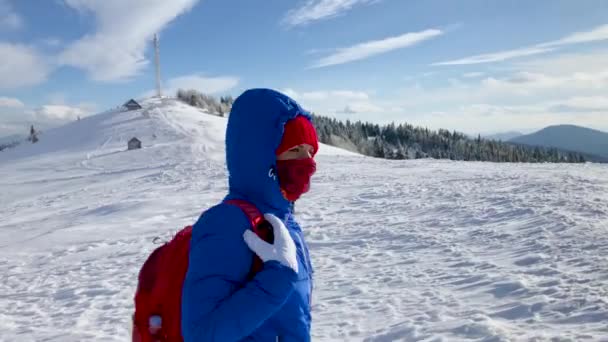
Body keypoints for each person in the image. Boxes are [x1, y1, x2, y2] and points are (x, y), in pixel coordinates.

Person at [181, 88, 317, 341]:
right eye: (295, 150)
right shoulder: (226, 223)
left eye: (310, 151)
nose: (308, 161)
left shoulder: (286, 222)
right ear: (261, 155)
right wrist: (278, 276)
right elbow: (200, 334)